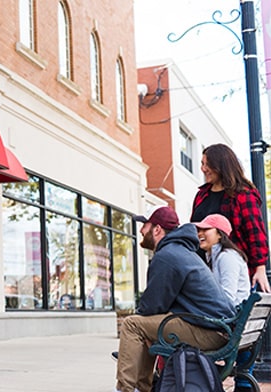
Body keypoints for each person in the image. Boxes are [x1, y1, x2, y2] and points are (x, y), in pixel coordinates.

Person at [115, 206, 235, 392]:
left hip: (209, 331)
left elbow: (152, 306)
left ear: (157, 229)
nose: (140, 231)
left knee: (132, 324)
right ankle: (141, 388)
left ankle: (125, 389)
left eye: (144, 226)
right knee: (144, 326)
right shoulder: (183, 252)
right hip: (218, 328)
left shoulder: (167, 255)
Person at [191, 143, 270, 293]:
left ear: (220, 165)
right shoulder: (201, 195)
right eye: (202, 164)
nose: (203, 169)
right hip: (204, 270)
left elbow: (255, 233)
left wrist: (260, 268)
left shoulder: (242, 195)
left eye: (207, 164)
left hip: (230, 272)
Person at [193, 213, 250, 306]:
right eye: (199, 230)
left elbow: (228, 297)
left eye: (206, 229)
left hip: (230, 316)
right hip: (228, 315)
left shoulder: (227, 257)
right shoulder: (215, 257)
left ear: (220, 234)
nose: (199, 233)